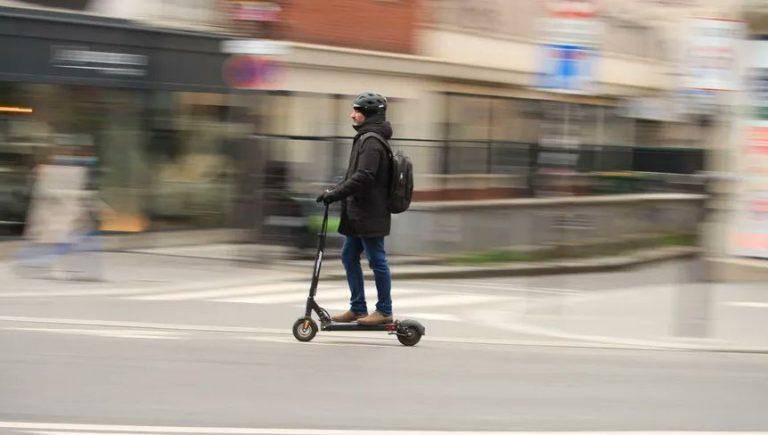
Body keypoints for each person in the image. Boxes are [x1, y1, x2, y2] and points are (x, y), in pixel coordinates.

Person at [316, 92, 393, 326]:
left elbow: (365, 177)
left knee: (377, 260)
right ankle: (358, 308)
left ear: (368, 115)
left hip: (370, 212)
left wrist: (336, 194)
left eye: (357, 110)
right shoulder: (366, 137)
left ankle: (384, 310)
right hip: (359, 212)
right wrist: (335, 190)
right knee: (349, 256)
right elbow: (354, 175)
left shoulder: (371, 141)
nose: (352, 114)